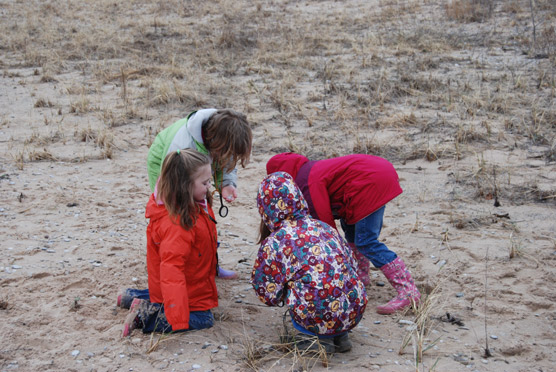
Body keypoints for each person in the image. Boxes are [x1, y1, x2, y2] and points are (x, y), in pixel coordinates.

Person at [266, 153, 420, 315]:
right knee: (351, 230)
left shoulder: (307, 182)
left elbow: (324, 225)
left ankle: (408, 292)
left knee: (366, 241)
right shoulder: (310, 170)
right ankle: (360, 274)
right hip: (375, 173)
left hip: (369, 181)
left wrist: (331, 254)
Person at [251, 172, 367, 353]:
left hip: (317, 313)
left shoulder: (276, 241)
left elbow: (265, 288)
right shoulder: (323, 226)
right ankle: (339, 335)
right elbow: (351, 262)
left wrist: (279, 295)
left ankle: (316, 340)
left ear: (265, 209)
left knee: (302, 286)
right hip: (354, 308)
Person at [120, 149, 219, 337]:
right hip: (185, 287)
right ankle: (144, 316)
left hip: (190, 282)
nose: (209, 186)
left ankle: (131, 297)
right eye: (205, 183)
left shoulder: (192, 204)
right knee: (204, 318)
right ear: (184, 186)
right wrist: (178, 318)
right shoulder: (179, 225)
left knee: (163, 296)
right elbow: (172, 270)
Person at [147, 108, 252, 279]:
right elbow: (174, 182)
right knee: (177, 218)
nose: (229, 156)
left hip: (198, 164)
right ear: (215, 143)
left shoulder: (222, 134)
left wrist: (226, 184)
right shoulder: (182, 145)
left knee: (204, 219)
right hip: (166, 163)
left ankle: (209, 266)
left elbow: (226, 159)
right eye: (227, 151)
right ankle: (175, 265)